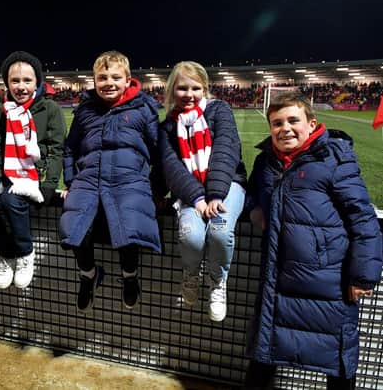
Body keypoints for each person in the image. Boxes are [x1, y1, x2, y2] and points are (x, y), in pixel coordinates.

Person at [243, 92, 382, 390]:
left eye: (293, 120)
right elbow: (251, 191)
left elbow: (363, 218)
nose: (285, 128)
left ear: (311, 123)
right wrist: (254, 209)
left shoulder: (333, 158)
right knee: (264, 350)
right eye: (277, 123)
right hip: (278, 281)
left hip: (329, 283)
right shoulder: (265, 162)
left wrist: (363, 276)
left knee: (337, 359)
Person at [59, 50, 161, 311]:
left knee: (129, 223)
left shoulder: (143, 108)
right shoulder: (84, 110)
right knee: (73, 226)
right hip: (88, 179)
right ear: (94, 81)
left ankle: (130, 276)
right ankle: (89, 275)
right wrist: (70, 181)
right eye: (102, 77)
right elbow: (70, 148)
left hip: (130, 179)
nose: (109, 83)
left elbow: (160, 151)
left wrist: (158, 189)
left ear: (128, 80)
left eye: (116, 77)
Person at [157, 61, 246, 322]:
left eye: (195, 87)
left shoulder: (220, 111)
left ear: (205, 89)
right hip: (191, 192)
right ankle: (191, 275)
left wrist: (215, 195)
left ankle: (218, 283)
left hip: (228, 184)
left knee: (219, 231)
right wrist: (196, 198)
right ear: (172, 90)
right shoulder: (167, 127)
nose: (189, 94)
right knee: (191, 237)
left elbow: (226, 152)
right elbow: (172, 167)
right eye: (182, 88)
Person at [0, 51, 66, 290]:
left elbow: (57, 150)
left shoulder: (51, 109)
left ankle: (26, 252)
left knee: (10, 201)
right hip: (5, 172)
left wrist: (49, 183)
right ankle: (6, 255)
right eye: (15, 81)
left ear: (38, 81)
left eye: (28, 80)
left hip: (35, 175)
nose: (21, 86)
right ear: (7, 83)